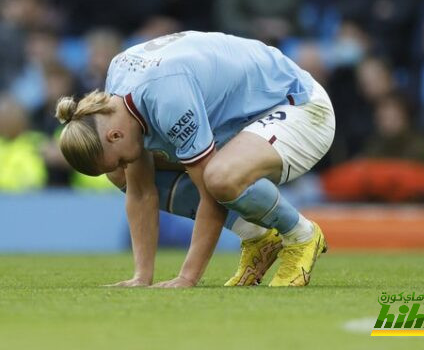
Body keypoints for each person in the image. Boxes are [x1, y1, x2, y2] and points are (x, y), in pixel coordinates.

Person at [56, 31, 335, 288]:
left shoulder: (167, 99)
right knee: (125, 178)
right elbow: (141, 192)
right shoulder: (117, 95)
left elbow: (210, 196)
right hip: (247, 118)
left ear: (114, 136)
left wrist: (187, 277)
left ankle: (301, 235)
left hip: (301, 106)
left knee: (219, 177)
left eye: (117, 160)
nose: (121, 167)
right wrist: (142, 277)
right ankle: (258, 237)